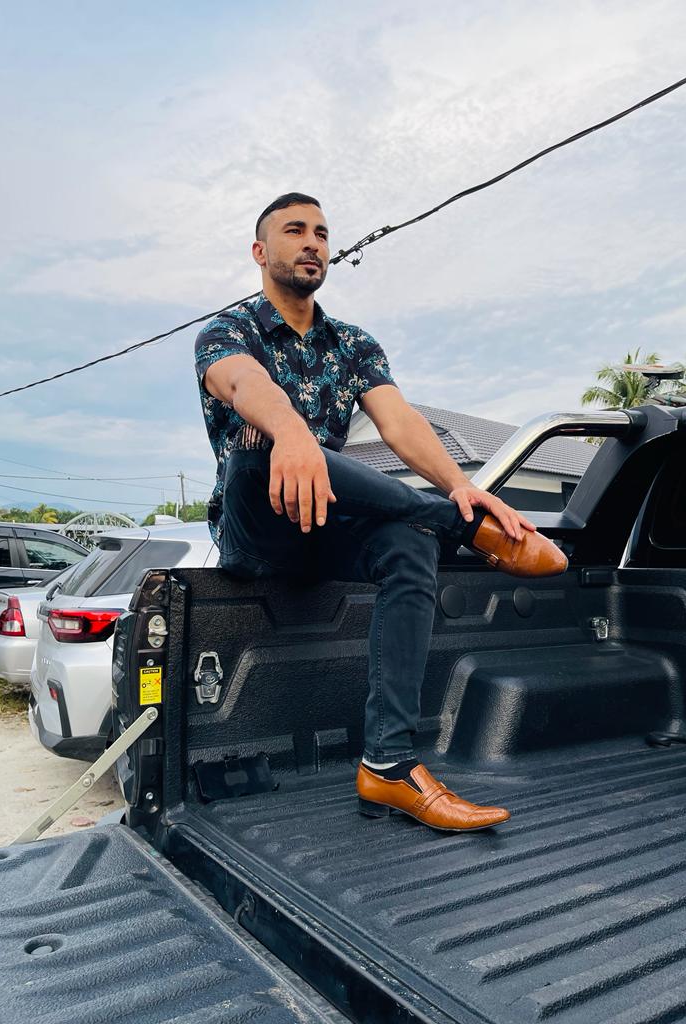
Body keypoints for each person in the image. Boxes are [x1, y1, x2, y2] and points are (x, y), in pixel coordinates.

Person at [194, 192, 566, 832]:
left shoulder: (352, 344)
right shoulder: (228, 331)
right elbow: (242, 383)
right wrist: (292, 430)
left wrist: (461, 485)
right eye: (295, 230)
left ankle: (388, 765)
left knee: (409, 541)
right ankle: (459, 526)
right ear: (260, 251)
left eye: (321, 232)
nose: (313, 242)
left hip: (325, 527)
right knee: (256, 451)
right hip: (257, 528)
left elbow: (398, 421)